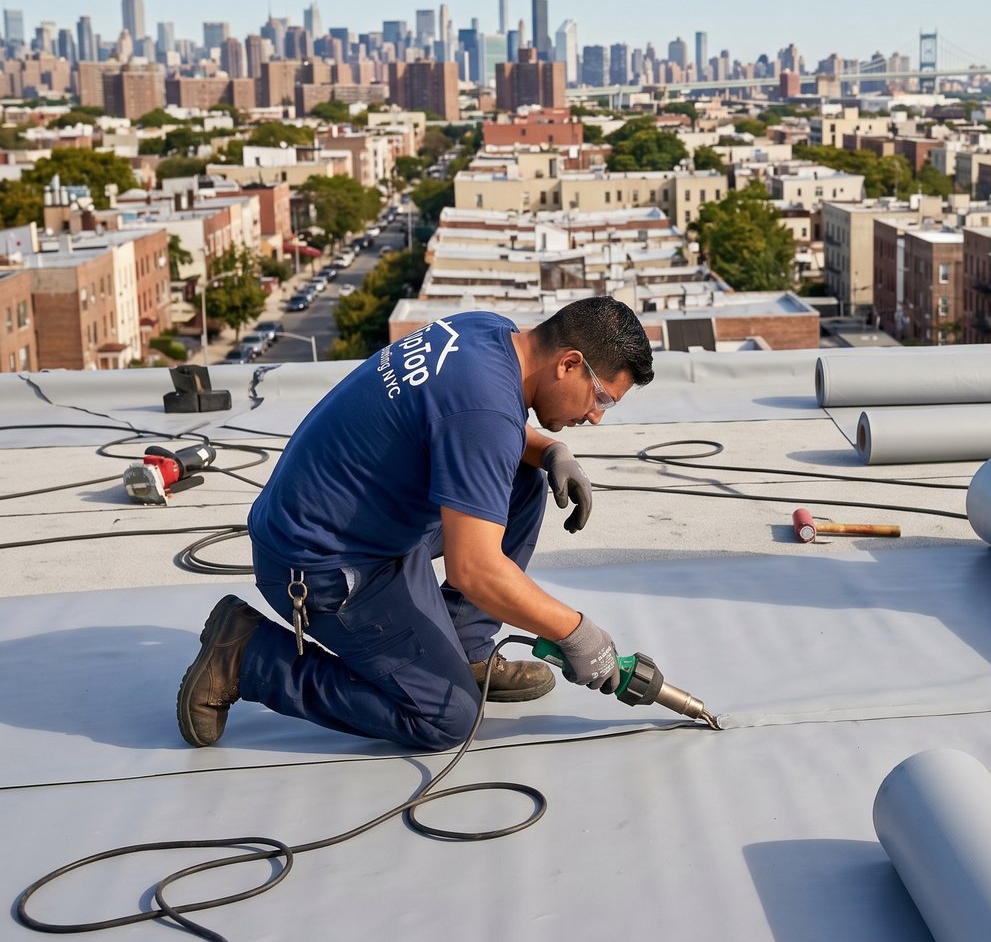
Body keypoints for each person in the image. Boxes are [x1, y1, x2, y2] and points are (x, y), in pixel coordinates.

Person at [177, 296, 656, 751]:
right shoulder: (485, 410)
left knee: (522, 479)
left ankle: (465, 648)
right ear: (569, 363)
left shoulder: (489, 332)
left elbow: (472, 421)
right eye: (601, 399)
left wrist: (549, 450)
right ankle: (249, 657)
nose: (595, 417)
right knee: (446, 717)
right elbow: (476, 570)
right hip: (319, 565)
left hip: (349, 519)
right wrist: (577, 633)